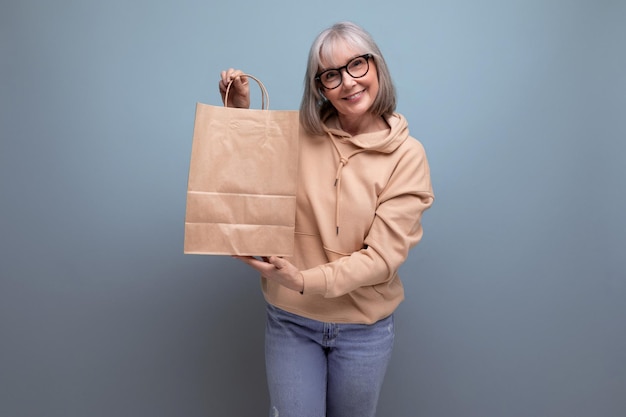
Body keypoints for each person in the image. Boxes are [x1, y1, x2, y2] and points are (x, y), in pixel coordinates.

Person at [218, 21, 434, 417]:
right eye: (331, 75)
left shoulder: (408, 156)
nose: (348, 82)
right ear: (320, 87)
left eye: (357, 65)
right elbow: (247, 187)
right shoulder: (297, 135)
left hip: (364, 328)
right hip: (291, 320)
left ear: (377, 68)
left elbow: (382, 258)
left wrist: (304, 280)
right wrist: (239, 116)